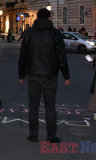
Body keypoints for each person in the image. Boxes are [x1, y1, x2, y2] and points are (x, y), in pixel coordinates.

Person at [18, 8, 70, 143]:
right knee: (50, 108)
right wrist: (66, 75)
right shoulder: (55, 33)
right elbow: (61, 56)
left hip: (33, 74)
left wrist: (22, 74)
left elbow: (22, 55)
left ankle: (33, 134)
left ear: (37, 17)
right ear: (49, 18)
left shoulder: (29, 32)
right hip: (50, 75)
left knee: (33, 107)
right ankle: (51, 136)